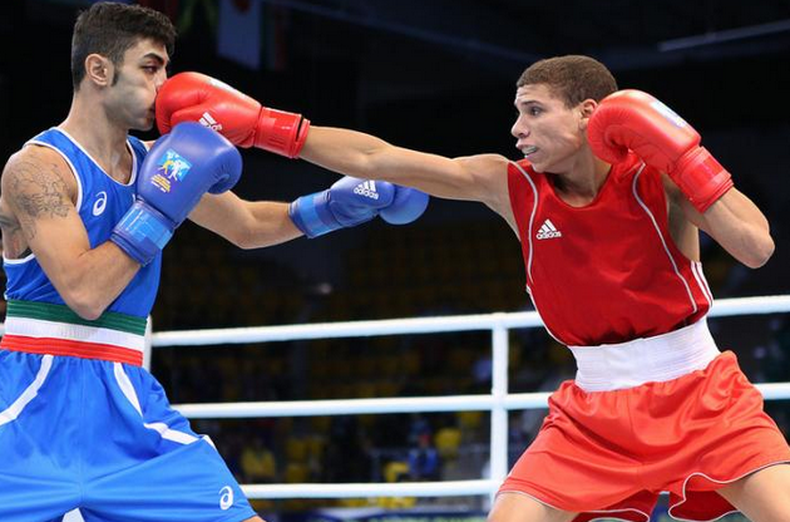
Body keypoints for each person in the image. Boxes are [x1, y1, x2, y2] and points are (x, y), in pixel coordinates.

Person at [155, 56, 790, 521]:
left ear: (590, 113)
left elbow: (757, 247)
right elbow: (380, 159)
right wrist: (266, 126)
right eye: (517, 112)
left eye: (534, 111)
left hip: (702, 396)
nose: (517, 128)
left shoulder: (656, 176)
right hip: (593, 415)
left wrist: (684, 155)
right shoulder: (510, 185)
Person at [0, 3, 427, 522]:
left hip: (128, 402)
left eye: (167, 69)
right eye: (150, 68)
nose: (165, 86)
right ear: (99, 70)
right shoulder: (37, 169)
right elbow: (86, 293)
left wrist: (333, 207)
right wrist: (158, 209)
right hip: (30, 405)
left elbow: (246, 226)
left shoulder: (157, 162)